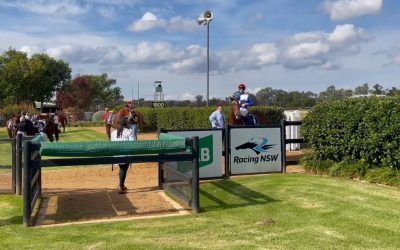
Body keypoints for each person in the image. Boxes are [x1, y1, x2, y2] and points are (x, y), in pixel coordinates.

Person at [110, 116, 134, 194]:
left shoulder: (113, 132)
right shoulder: (129, 131)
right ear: (125, 123)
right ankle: (121, 186)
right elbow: (132, 143)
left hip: (116, 154)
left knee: (123, 169)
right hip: (125, 154)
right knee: (123, 169)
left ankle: (122, 185)